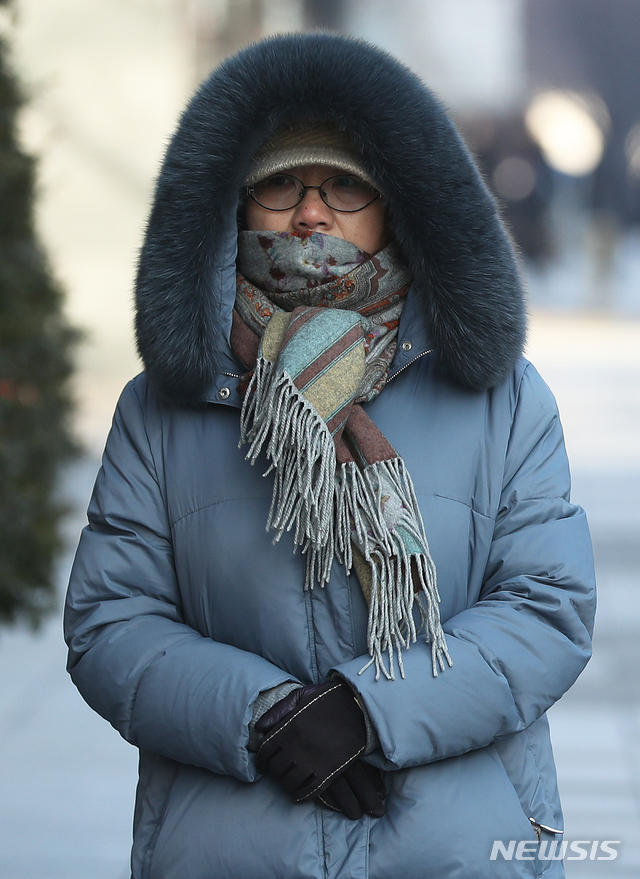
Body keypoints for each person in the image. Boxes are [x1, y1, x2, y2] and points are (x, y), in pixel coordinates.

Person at [64, 32, 596, 879]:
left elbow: (547, 608)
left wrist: (370, 709)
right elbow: (110, 621)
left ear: (396, 205)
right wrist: (259, 714)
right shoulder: (163, 409)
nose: (311, 213)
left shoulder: (500, 398)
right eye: (281, 184)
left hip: (455, 851)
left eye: (345, 185)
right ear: (237, 205)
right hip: (229, 850)